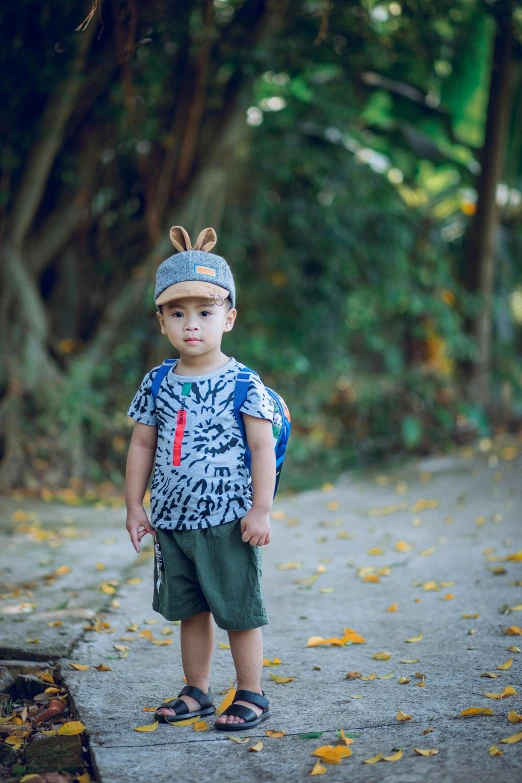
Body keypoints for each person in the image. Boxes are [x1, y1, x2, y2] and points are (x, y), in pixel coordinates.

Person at [124, 225, 275, 731]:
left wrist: (261, 510)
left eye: (206, 312)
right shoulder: (158, 381)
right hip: (173, 521)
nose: (193, 325)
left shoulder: (242, 382)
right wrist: (134, 506)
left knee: (239, 610)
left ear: (228, 318)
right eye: (178, 313)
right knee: (192, 610)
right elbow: (142, 444)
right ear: (162, 320)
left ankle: (251, 693)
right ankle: (198, 690)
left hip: (229, 520)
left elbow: (262, 447)